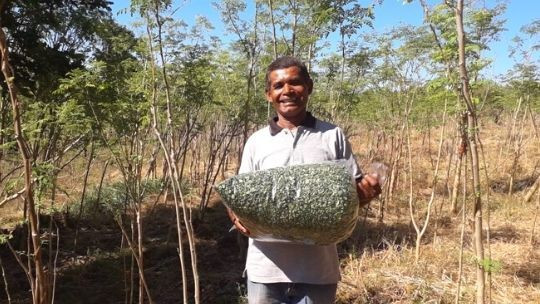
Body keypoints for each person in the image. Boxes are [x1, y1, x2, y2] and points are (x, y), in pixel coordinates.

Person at [227, 56, 381, 304]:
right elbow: (240, 197)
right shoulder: (257, 141)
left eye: (295, 83)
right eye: (278, 86)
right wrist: (234, 214)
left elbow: (350, 197)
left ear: (309, 87)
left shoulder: (332, 135)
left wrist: (365, 194)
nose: (287, 91)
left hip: (318, 272)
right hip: (265, 270)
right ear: (269, 94)